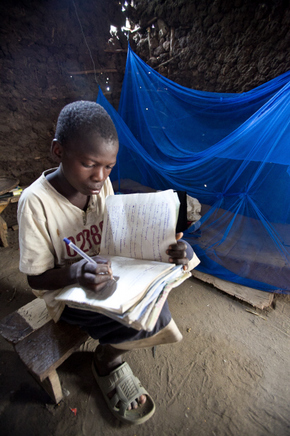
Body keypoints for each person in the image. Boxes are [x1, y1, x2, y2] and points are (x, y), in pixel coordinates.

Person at [17, 100, 196, 425]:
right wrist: (74, 272)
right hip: (67, 293)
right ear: (58, 151)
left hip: (112, 275)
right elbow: (35, 279)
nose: (100, 177)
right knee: (153, 321)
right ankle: (107, 360)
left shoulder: (98, 188)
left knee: (154, 306)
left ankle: (109, 353)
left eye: (109, 167)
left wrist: (170, 246)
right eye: (89, 164)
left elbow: (117, 240)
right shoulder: (35, 203)